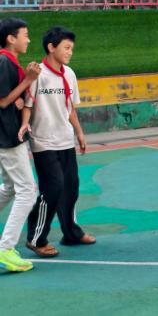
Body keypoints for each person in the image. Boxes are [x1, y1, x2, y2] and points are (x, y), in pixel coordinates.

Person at [21, 27, 95, 258]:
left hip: (65, 140)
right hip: (43, 142)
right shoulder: (37, 73)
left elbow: (69, 107)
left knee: (71, 187)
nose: (70, 52)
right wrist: (25, 125)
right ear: (51, 47)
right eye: (66, 47)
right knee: (52, 188)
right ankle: (36, 238)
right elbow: (27, 105)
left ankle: (71, 233)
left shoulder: (69, 74)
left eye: (72, 48)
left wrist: (79, 133)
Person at [0, 18, 41, 272]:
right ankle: (5, 248)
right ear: (11, 38)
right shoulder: (4, 61)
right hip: (7, 137)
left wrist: (19, 93)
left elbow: (9, 98)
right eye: (25, 35)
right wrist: (28, 80)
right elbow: (3, 101)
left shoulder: (8, 62)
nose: (28, 39)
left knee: (10, 188)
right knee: (27, 191)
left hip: (7, 135)